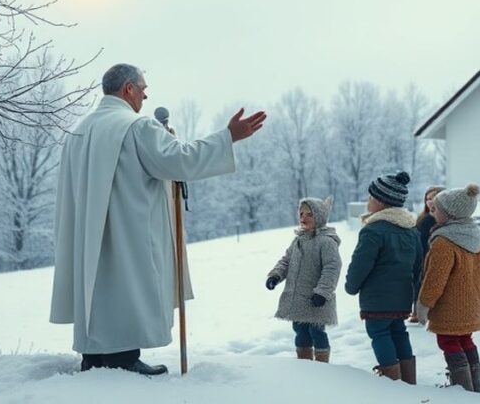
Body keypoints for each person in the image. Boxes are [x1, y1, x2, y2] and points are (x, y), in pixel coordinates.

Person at [49, 63, 266, 375]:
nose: (145, 96)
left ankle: (95, 357)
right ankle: (122, 359)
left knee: (99, 287)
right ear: (128, 89)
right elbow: (180, 161)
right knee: (126, 286)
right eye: (143, 89)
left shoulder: (80, 130)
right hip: (128, 228)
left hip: (89, 233)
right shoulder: (136, 127)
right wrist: (227, 137)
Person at [344, 171, 422, 384]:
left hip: (377, 299)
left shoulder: (373, 231)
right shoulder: (411, 230)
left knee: (379, 334)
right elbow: (418, 265)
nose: (368, 201)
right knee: (399, 332)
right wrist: (415, 293)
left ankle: (392, 379)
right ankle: (408, 379)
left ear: (380, 201)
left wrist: (351, 286)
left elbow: (361, 262)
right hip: (403, 296)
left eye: (370, 197)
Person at [415, 184, 480, 393]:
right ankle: (473, 387)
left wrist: (423, 305)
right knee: (465, 339)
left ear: (450, 214)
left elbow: (435, 279)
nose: (433, 212)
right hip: (471, 304)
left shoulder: (444, 242)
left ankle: (462, 389)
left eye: (437, 209)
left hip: (449, 307)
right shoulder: (477, 237)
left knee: (449, 341)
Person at [265, 197, 342, 363]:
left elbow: (332, 268)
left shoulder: (326, 242)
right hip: (298, 300)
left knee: (317, 332)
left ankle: (322, 365)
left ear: (320, 218)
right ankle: (304, 366)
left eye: (309, 214)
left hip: (316, 300)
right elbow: (286, 260)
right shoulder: (299, 240)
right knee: (300, 330)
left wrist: (322, 292)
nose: (303, 218)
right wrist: (275, 275)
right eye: (301, 213)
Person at [408, 186, 445, 323]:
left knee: (428, 283)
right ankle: (417, 312)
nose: (429, 202)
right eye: (427, 199)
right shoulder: (423, 217)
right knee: (418, 282)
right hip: (419, 253)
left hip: (432, 254)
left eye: (433, 198)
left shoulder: (439, 219)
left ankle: (425, 312)